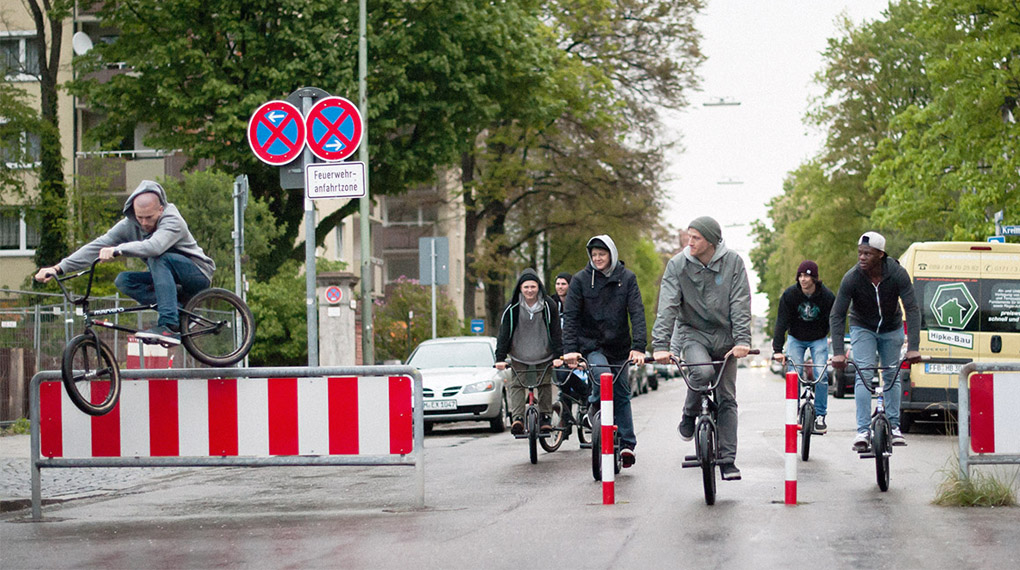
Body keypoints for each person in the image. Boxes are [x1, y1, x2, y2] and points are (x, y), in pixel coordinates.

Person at [34, 180, 215, 345]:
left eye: (149, 217)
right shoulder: (129, 225)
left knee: (159, 257)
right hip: (170, 280)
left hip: (197, 274)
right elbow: (96, 246)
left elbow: (155, 246)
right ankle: (181, 313)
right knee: (124, 280)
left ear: (160, 210)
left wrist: (119, 250)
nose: (143, 223)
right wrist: (59, 268)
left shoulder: (173, 220)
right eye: (139, 217)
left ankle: (169, 325)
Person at [651, 216, 752, 481]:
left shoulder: (733, 262)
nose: (689, 241)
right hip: (692, 334)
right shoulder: (677, 265)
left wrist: (743, 341)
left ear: (711, 240)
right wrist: (661, 346)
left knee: (727, 397)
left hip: (726, 338)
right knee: (703, 373)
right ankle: (689, 414)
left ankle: (728, 460)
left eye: (696, 237)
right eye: (688, 236)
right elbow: (668, 306)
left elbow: (740, 303)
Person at [830, 231, 921, 450]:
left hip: (892, 328)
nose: (861, 257)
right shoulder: (851, 278)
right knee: (864, 373)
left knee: (892, 375)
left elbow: (912, 307)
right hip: (862, 328)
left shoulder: (897, 274)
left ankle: (895, 427)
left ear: (880, 254)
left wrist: (914, 348)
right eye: (860, 253)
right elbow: (837, 314)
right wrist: (839, 351)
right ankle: (862, 431)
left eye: (867, 254)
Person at [562, 235, 647, 468]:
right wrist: (569, 350)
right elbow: (570, 317)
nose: (598, 258)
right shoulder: (580, 280)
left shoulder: (627, 279)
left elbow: (637, 313)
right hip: (592, 345)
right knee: (601, 376)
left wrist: (639, 347)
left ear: (611, 254)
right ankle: (595, 404)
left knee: (621, 393)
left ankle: (628, 445)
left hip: (619, 346)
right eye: (594, 255)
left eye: (602, 254)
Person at [494, 269, 563, 435]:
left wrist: (559, 355)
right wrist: (500, 358)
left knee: (545, 384)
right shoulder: (512, 307)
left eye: (533, 286)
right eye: (526, 287)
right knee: (517, 384)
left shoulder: (548, 305)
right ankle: (517, 418)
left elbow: (556, 331)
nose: (530, 290)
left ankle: (545, 418)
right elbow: (503, 333)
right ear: (520, 288)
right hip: (519, 353)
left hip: (544, 353)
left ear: (538, 287)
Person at [771, 260, 836, 434]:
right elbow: (781, 322)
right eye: (800, 275)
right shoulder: (790, 295)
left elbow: (835, 322)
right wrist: (777, 350)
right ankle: (794, 411)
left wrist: (837, 352)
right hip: (796, 338)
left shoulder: (827, 297)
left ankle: (821, 415)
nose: (803, 279)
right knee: (794, 374)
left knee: (820, 374)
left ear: (814, 278)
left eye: (807, 275)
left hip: (818, 339)